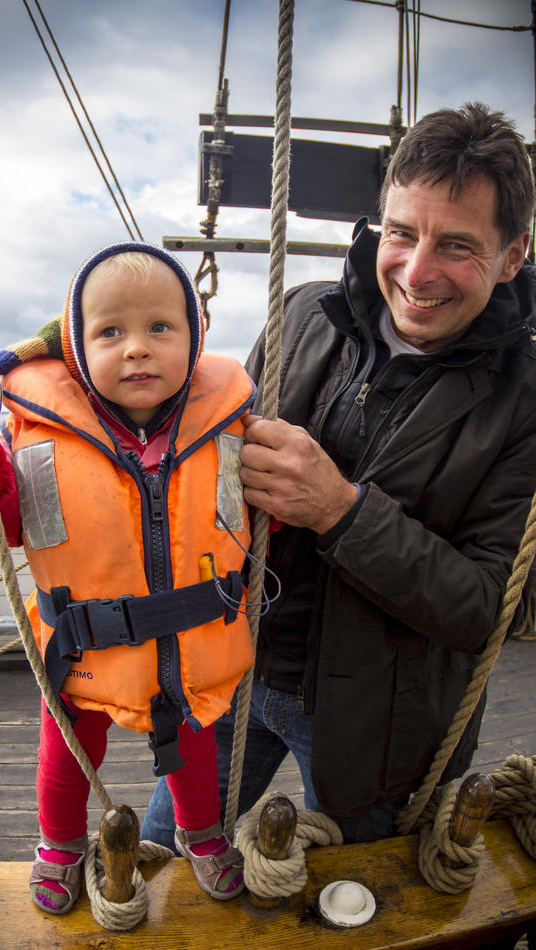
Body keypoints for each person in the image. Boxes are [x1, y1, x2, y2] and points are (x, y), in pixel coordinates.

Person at [141, 101, 536, 852]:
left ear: (512, 254)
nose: (416, 273)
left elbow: (490, 610)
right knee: (163, 872)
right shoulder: (301, 314)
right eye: (400, 233)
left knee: (362, 916)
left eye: (456, 245)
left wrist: (340, 510)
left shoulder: (524, 401)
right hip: (231, 678)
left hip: (378, 728)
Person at [0, 243, 258, 912]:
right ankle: (57, 844)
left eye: (159, 328)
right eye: (111, 332)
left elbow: (255, 510)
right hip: (81, 647)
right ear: (77, 351)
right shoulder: (32, 432)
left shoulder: (231, 421)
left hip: (191, 644)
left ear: (193, 340)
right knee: (65, 757)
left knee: (194, 750)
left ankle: (200, 834)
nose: (136, 348)